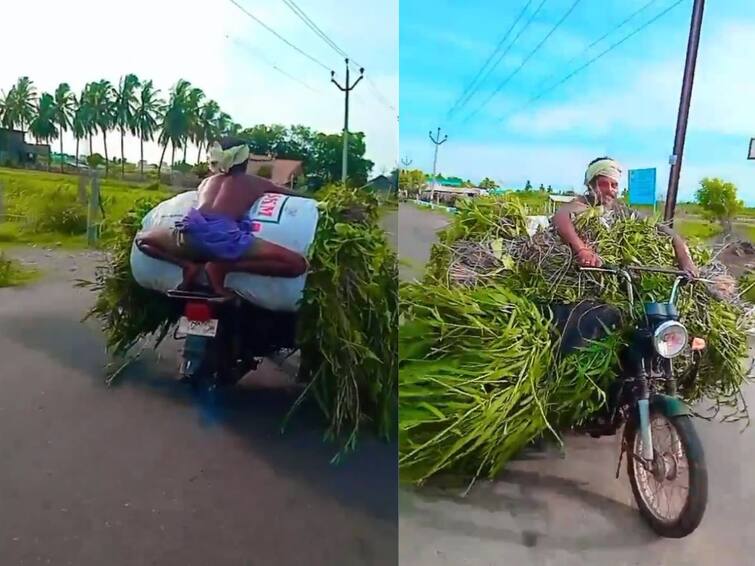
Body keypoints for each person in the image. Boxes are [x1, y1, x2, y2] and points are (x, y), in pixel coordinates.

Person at [136, 136, 309, 296]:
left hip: (189, 233)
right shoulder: (254, 182)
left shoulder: (207, 182)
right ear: (245, 160)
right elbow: (291, 193)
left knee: (141, 239)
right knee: (297, 264)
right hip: (225, 240)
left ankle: (187, 266)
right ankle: (223, 267)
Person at [552, 156, 698, 277]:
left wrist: (684, 258)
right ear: (590, 185)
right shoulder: (580, 205)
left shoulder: (622, 212)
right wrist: (582, 249)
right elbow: (561, 218)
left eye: (614, 185)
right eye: (603, 184)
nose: (610, 190)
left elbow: (666, 231)